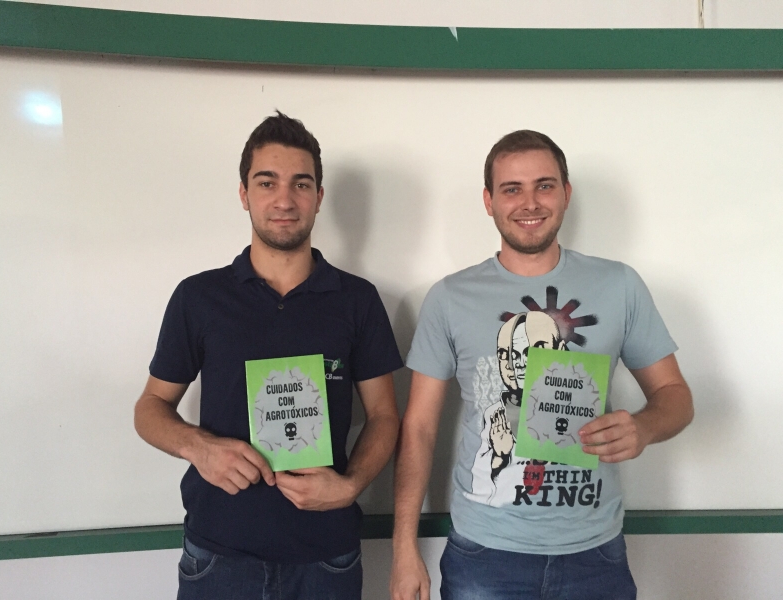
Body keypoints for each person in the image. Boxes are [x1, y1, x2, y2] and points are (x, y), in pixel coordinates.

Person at [390, 130, 693, 600]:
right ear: (489, 201)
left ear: (566, 193)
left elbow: (675, 396)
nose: (529, 203)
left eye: (544, 186)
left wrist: (645, 427)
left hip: (594, 552)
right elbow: (419, 428)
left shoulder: (620, 285)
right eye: (511, 189)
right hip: (484, 554)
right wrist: (402, 548)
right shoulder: (449, 298)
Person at [134, 111, 402, 600]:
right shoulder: (199, 297)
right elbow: (150, 408)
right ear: (244, 194)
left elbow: (384, 415)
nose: (284, 199)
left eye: (301, 184)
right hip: (219, 556)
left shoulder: (357, 300)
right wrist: (198, 447)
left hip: (327, 557)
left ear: (319, 196)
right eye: (267, 182)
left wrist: (350, 486)